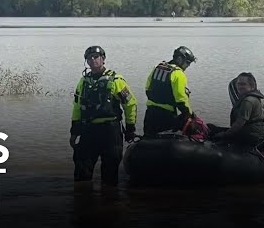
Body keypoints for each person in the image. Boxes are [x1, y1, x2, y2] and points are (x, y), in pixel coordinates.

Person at [69, 45, 137, 187]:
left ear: (103, 59)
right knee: (82, 170)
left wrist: (130, 128)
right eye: (89, 58)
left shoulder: (116, 80)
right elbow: (77, 107)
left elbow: (130, 104)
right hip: (88, 130)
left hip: (110, 131)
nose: (93, 60)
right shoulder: (83, 82)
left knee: (110, 172)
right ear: (86, 61)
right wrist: (74, 131)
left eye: (96, 57)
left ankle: (109, 204)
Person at [143, 45, 196, 137]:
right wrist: (190, 114)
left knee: (148, 144)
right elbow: (181, 100)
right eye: (187, 63)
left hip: (150, 115)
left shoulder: (158, 68)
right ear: (179, 59)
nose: (187, 66)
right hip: (166, 117)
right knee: (164, 146)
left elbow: (147, 88)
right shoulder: (178, 74)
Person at [209, 72, 264, 149]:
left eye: (243, 84)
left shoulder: (248, 101)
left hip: (250, 137)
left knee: (216, 141)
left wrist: (225, 135)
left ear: (252, 85)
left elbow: (239, 123)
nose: (239, 86)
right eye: (238, 84)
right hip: (259, 134)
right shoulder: (259, 97)